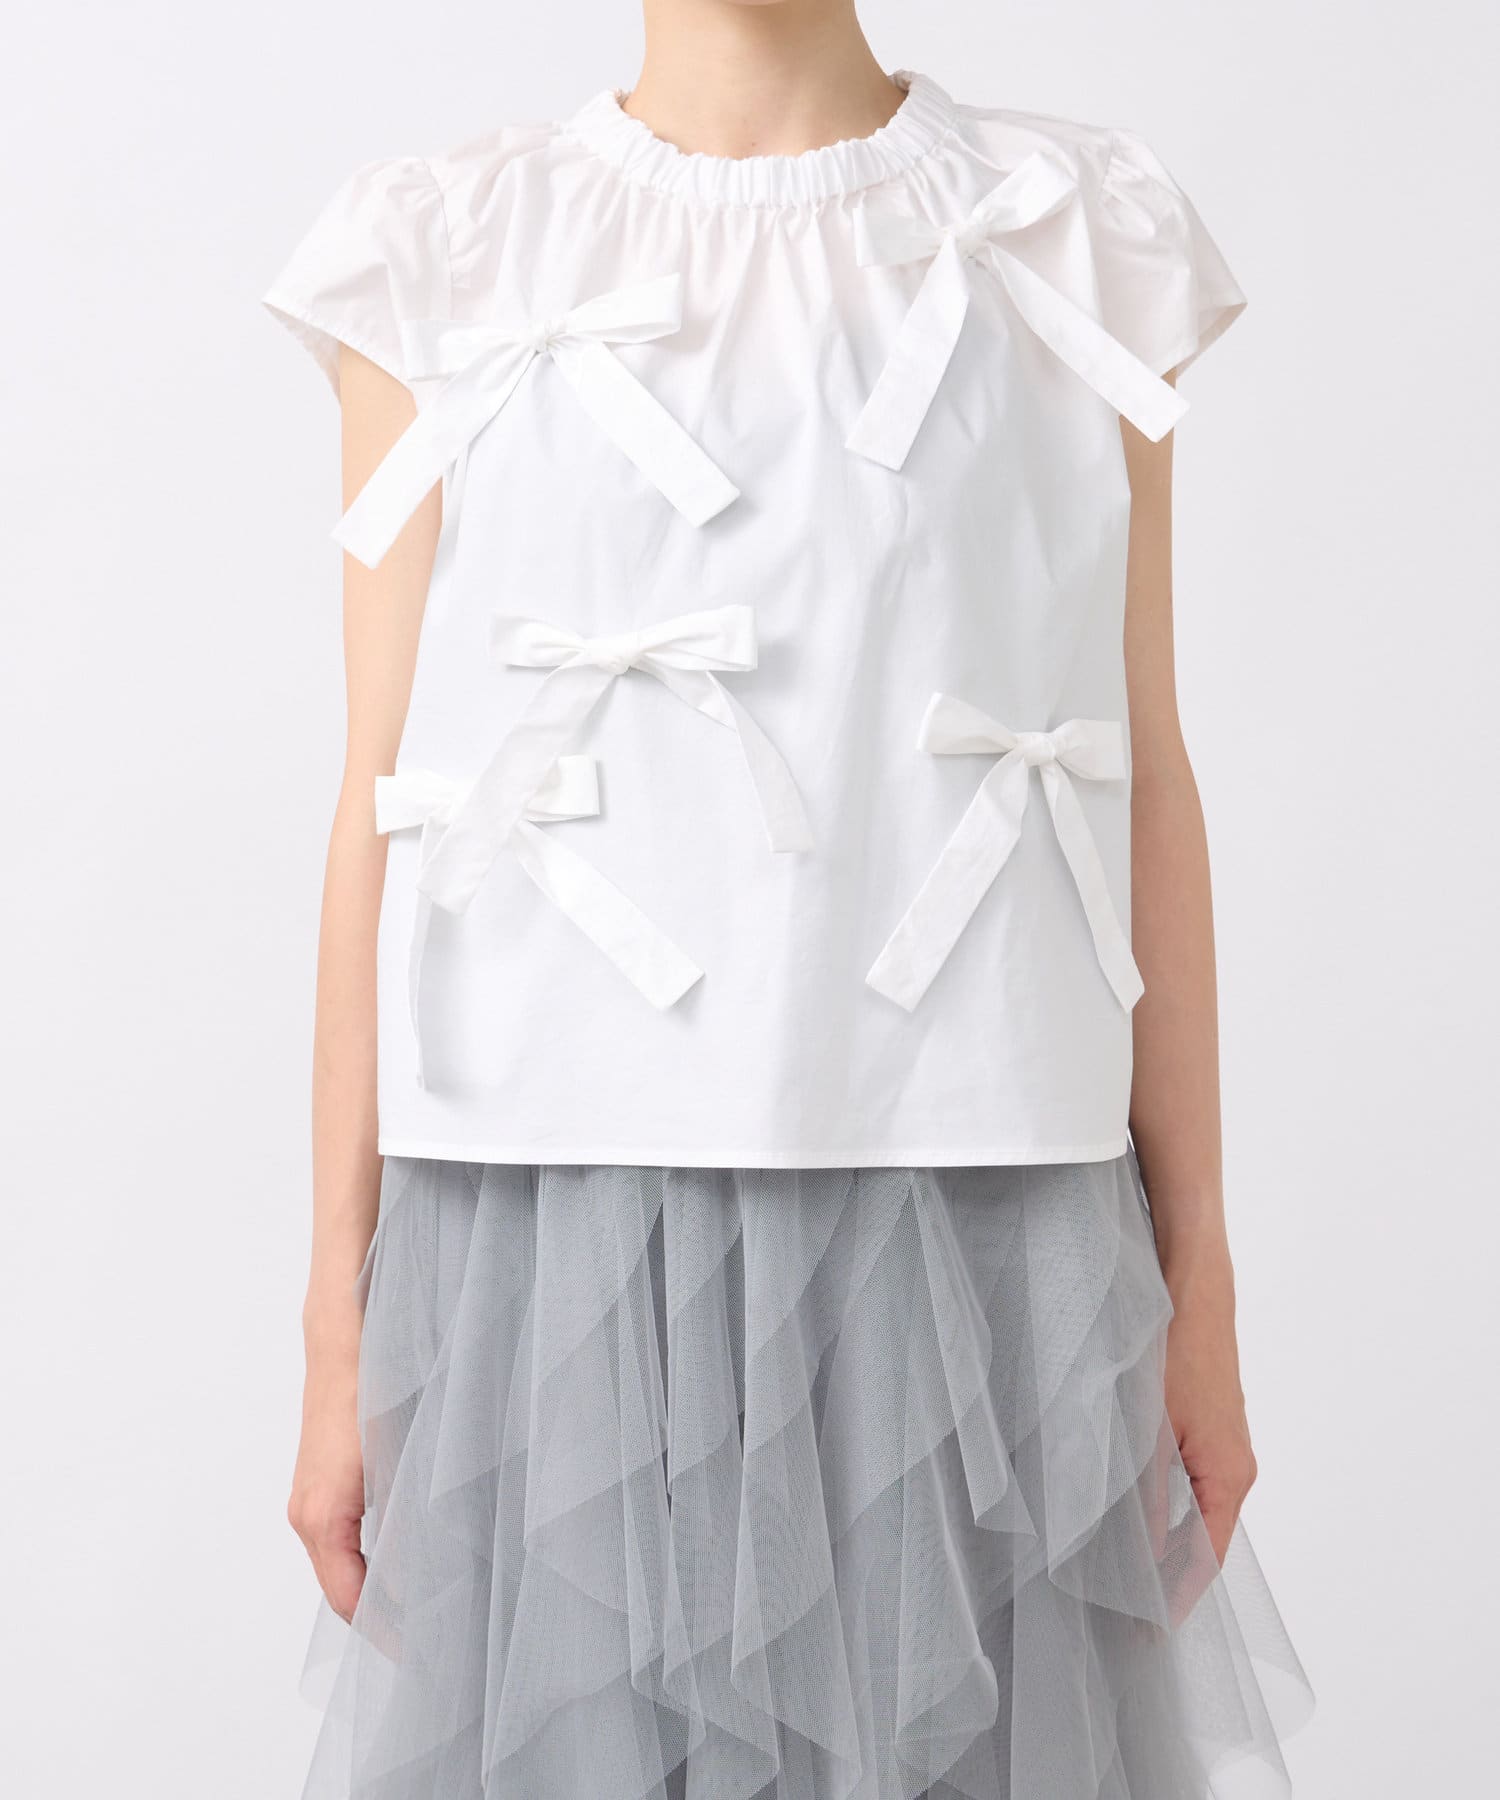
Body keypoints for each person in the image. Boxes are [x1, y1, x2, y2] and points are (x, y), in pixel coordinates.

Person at [266, 2, 1311, 1793]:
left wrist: (1198, 1286)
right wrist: (332, 1321)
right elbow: (382, 800)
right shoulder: (440, 245)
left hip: (984, 1223)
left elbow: (1141, 762)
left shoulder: (1076, 226)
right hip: (551, 1244)